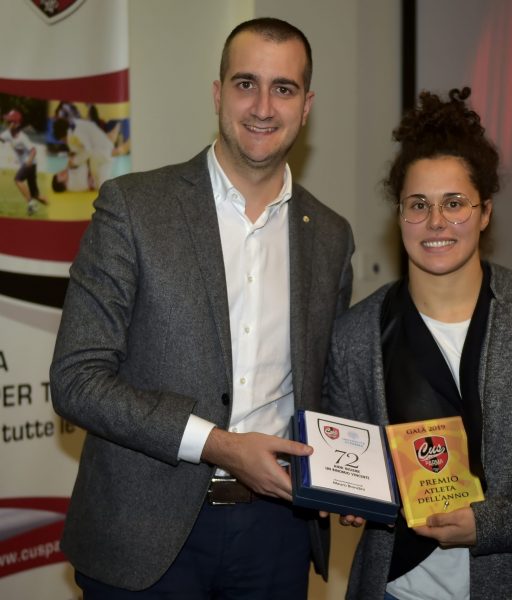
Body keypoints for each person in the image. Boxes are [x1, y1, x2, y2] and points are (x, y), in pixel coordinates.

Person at [50, 17, 354, 599]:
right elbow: (76, 380)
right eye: (246, 84)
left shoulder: (331, 235)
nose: (262, 107)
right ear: (218, 94)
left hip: (277, 532)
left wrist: (353, 477)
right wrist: (219, 445)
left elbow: (329, 388)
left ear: (306, 106)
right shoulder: (134, 207)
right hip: (143, 532)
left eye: (283, 89)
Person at [324, 87, 512, 599]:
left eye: (454, 204)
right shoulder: (355, 336)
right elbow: (350, 459)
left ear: (485, 211)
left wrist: (491, 523)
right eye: (418, 205)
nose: (436, 222)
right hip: (396, 589)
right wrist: (348, 494)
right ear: (399, 214)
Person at [0, 109, 48, 215]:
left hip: (30, 163)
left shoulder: (22, 137)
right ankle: (53, 204)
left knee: (18, 179)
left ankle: (31, 204)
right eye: (7, 121)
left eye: (10, 121)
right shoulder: (7, 134)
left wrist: (28, 162)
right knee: (36, 195)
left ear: (16, 124)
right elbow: (1, 139)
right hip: (29, 165)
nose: (7, 123)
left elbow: (33, 151)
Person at [52, 113, 117, 190]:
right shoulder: (75, 125)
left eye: (63, 139)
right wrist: (73, 161)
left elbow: (88, 151)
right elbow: (83, 149)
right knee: (102, 183)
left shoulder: (74, 132)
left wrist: (74, 161)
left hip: (101, 153)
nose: (65, 142)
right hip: (102, 152)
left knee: (102, 184)